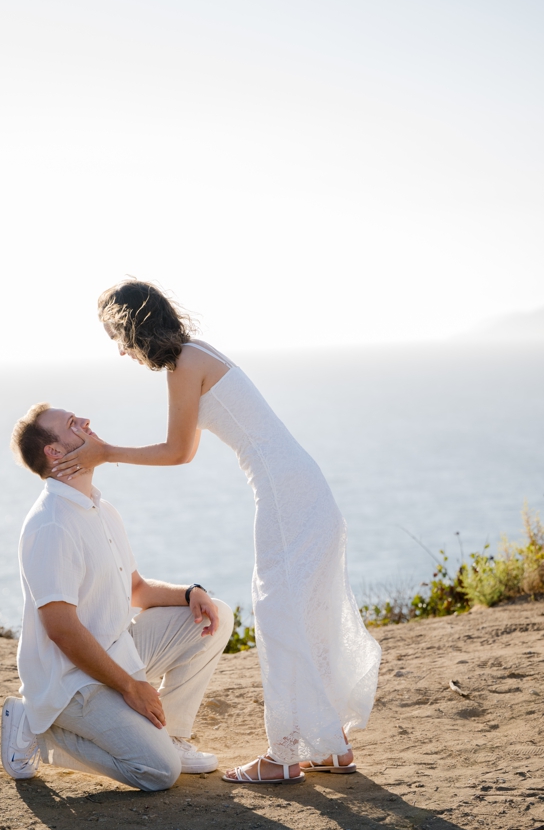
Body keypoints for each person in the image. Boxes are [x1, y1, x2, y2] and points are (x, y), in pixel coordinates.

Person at [59, 280, 381, 785]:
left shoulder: (184, 365)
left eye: (117, 338)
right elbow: (188, 449)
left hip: (286, 498)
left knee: (280, 616)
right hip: (303, 489)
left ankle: (284, 756)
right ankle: (331, 746)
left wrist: (105, 453)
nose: (120, 351)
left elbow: (176, 452)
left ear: (134, 326)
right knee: (305, 616)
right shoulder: (195, 354)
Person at [0, 402, 232, 791]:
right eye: (72, 424)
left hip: (115, 650)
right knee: (159, 772)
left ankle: (172, 735)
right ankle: (37, 727)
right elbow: (61, 629)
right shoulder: (51, 523)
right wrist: (130, 687)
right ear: (54, 452)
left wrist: (190, 593)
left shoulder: (101, 509)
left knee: (215, 614)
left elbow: (135, 589)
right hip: (70, 683)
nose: (85, 421)